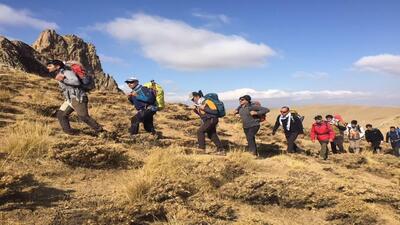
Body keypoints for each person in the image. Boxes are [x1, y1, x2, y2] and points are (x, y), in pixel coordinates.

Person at [47, 60, 103, 135]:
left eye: (50, 66)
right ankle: (70, 132)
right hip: (70, 99)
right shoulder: (60, 72)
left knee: (83, 116)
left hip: (78, 97)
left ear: (57, 66)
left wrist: (63, 79)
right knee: (61, 114)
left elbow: (76, 82)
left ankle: (100, 131)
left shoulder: (67, 72)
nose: (48, 67)